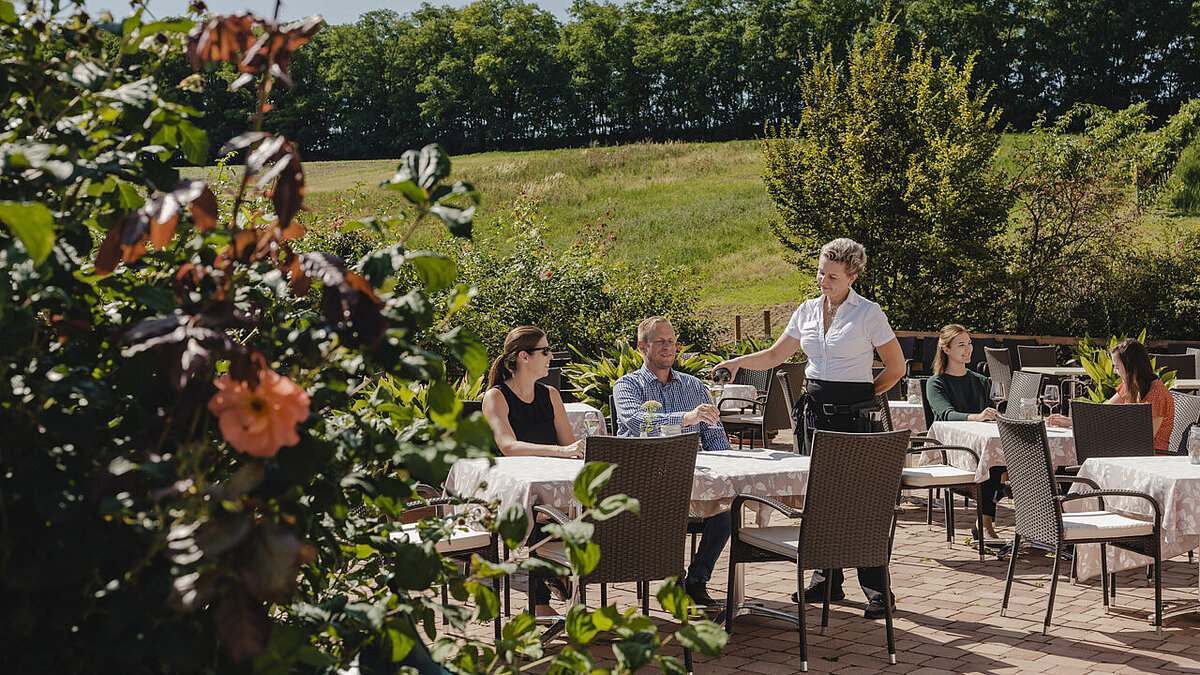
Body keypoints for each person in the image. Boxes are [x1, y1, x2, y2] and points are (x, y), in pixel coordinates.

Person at [713, 237, 906, 620]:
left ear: (853, 276)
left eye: (832, 276)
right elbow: (775, 355)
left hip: (854, 418)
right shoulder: (806, 311)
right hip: (814, 415)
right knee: (818, 497)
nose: (823, 281)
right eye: (820, 272)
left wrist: (866, 397)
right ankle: (826, 580)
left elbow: (896, 367)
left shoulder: (869, 314)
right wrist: (737, 361)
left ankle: (879, 591)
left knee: (858, 501)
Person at [613, 316, 728, 607]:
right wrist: (686, 417)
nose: (668, 347)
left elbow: (714, 434)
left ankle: (697, 580)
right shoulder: (626, 386)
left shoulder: (695, 387)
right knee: (669, 508)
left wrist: (726, 464)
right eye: (660, 342)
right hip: (645, 480)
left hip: (694, 476)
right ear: (641, 346)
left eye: (672, 341)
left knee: (727, 510)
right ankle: (672, 578)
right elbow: (639, 423)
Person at [481, 326, 584, 617]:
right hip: (509, 492)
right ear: (524, 357)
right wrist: (561, 452)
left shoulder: (550, 394)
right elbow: (508, 447)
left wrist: (573, 451)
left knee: (583, 509)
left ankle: (564, 585)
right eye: (546, 351)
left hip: (547, 487)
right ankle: (546, 595)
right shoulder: (496, 396)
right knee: (543, 508)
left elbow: (569, 445)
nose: (551, 356)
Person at [925, 324, 1003, 540]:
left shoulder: (980, 381)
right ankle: (985, 523)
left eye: (969, 343)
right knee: (993, 463)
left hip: (983, 446)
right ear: (946, 349)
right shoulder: (936, 383)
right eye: (961, 345)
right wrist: (976, 417)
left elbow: (995, 412)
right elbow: (945, 414)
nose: (968, 349)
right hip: (954, 451)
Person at [1047, 338, 1175, 453]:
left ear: (1132, 368)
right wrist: (1069, 421)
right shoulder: (1130, 386)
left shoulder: (1157, 395)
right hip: (1125, 453)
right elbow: (1103, 411)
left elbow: (1143, 439)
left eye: (1117, 367)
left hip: (1150, 459)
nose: (1114, 371)